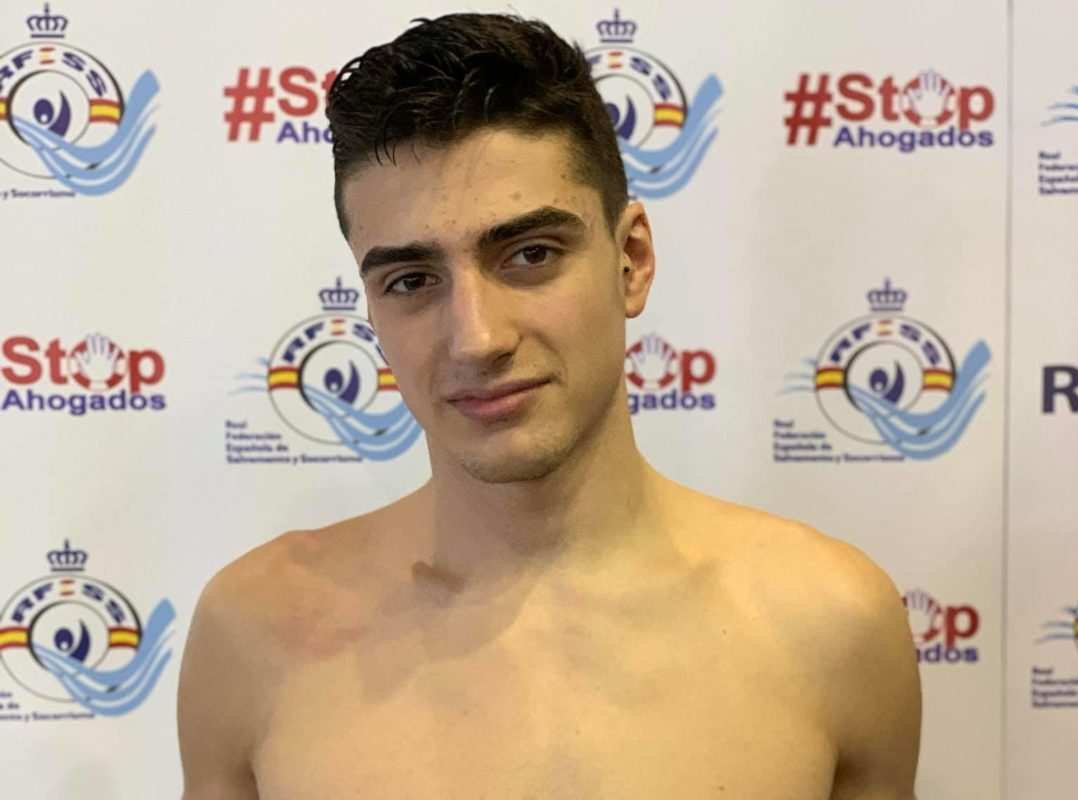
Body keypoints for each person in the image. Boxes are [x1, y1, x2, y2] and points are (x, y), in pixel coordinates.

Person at [178, 13, 921, 799]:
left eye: (530, 255)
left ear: (631, 260)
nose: (477, 339)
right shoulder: (253, 634)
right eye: (412, 281)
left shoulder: (831, 624)